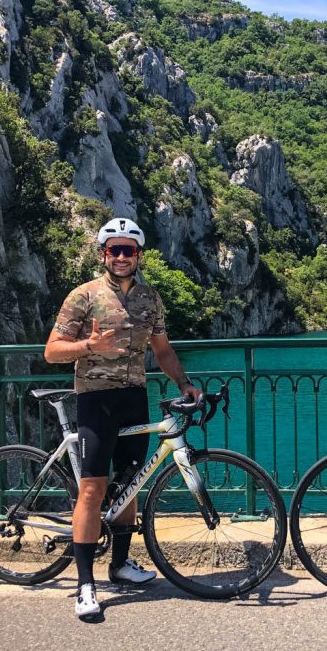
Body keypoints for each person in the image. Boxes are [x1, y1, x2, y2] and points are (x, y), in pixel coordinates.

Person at [44, 217, 201, 620]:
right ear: (103, 254)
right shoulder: (83, 296)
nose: (120, 256)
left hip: (134, 397)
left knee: (130, 485)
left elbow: (162, 351)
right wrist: (87, 345)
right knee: (93, 490)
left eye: (128, 250)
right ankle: (85, 586)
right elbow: (52, 351)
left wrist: (184, 382)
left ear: (138, 255)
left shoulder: (151, 299)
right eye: (114, 250)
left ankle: (119, 566)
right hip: (96, 401)